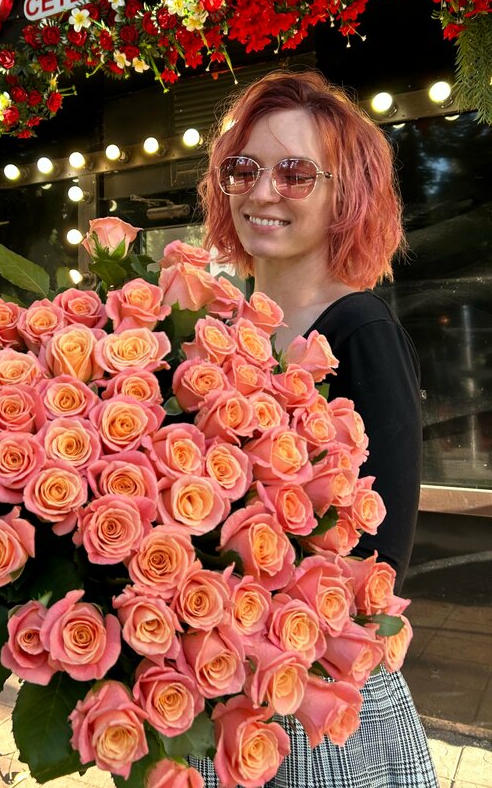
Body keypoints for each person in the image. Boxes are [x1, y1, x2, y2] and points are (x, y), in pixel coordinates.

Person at [192, 71, 438, 787]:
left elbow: (381, 560)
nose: (263, 191)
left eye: (295, 174)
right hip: (221, 694)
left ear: (345, 195)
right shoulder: (219, 334)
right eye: (244, 168)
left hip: (318, 711)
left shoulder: (360, 329)